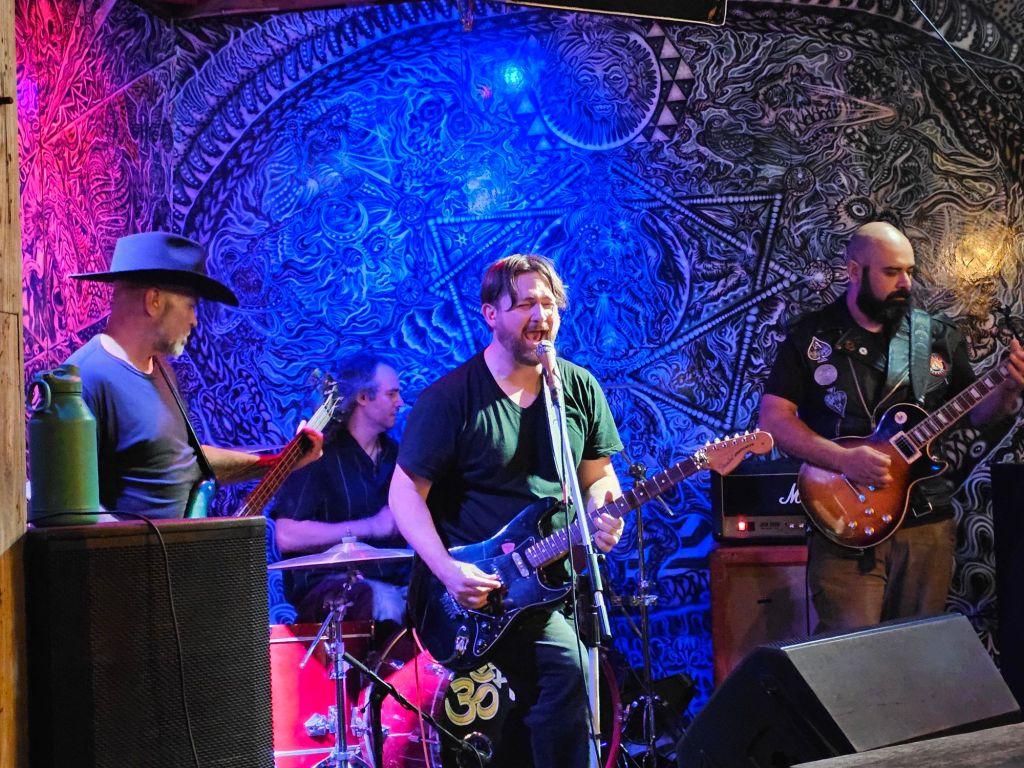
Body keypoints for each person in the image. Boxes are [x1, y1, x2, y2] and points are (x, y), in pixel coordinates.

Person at [389, 253, 626, 768]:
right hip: (477, 593)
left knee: (546, 711)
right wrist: (448, 570)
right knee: (565, 673)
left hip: (556, 580)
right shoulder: (451, 398)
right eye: (524, 305)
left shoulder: (578, 388)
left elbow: (599, 477)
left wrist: (606, 514)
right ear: (490, 314)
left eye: (549, 304)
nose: (540, 316)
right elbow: (404, 495)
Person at [758, 221, 1024, 634]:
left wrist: (1006, 390)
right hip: (843, 523)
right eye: (891, 272)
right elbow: (774, 419)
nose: (905, 283)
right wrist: (844, 460)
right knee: (852, 655)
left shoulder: (936, 336)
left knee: (917, 652)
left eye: (909, 271)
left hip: (926, 520)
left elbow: (976, 414)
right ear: (854, 271)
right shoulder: (810, 337)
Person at [65, 231, 323, 519]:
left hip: (181, 548)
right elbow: (70, 510)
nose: (194, 320)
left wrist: (279, 463)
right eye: (190, 305)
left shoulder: (161, 369)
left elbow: (183, 462)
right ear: (154, 301)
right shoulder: (84, 378)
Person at [270, 352, 408, 623]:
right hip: (328, 589)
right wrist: (370, 527)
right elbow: (286, 535)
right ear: (363, 397)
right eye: (391, 394)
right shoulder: (318, 455)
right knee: (379, 600)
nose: (400, 402)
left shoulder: (397, 457)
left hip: (392, 581)